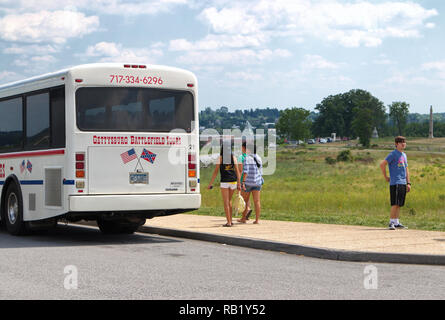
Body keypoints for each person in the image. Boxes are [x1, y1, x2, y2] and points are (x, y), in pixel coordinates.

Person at [379, 136, 411, 230]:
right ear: (396, 144)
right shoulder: (393, 154)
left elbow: (406, 169)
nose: (403, 144)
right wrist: (386, 176)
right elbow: (382, 164)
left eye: (404, 142)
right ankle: (391, 222)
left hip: (403, 182)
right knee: (395, 203)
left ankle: (396, 222)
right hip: (395, 181)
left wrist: (408, 183)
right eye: (401, 142)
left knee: (400, 203)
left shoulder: (404, 155)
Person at [208, 142, 241, 227]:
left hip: (225, 182)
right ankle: (230, 220)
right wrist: (239, 184)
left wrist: (210, 184)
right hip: (233, 182)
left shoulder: (221, 158)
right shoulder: (233, 157)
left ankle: (229, 222)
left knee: (226, 202)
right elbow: (237, 171)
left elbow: (215, 172)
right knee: (229, 201)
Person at [239, 146, 263, 224]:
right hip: (257, 182)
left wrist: (243, 182)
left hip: (248, 182)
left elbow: (245, 171)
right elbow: (260, 171)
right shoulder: (259, 158)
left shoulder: (247, 158)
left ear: (248, 150)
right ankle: (257, 220)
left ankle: (243, 218)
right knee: (257, 201)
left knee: (245, 201)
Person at [237, 141, 252, 219]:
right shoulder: (251, 157)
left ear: (243, 148)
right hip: (251, 179)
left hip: (243, 178)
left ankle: (245, 213)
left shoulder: (241, 157)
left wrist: (239, 180)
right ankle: (247, 211)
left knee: (243, 198)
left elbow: (240, 170)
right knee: (248, 197)